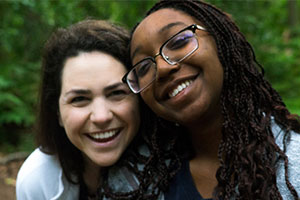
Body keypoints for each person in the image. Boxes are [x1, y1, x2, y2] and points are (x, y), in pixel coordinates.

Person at [121, 0, 300, 199]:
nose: (162, 68)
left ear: (222, 42)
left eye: (179, 42)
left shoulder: (294, 163)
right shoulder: (135, 177)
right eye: (144, 68)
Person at [16, 19, 142, 200]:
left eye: (116, 93)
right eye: (80, 99)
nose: (101, 117)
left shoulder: (176, 166)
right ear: (57, 111)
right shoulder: (37, 180)